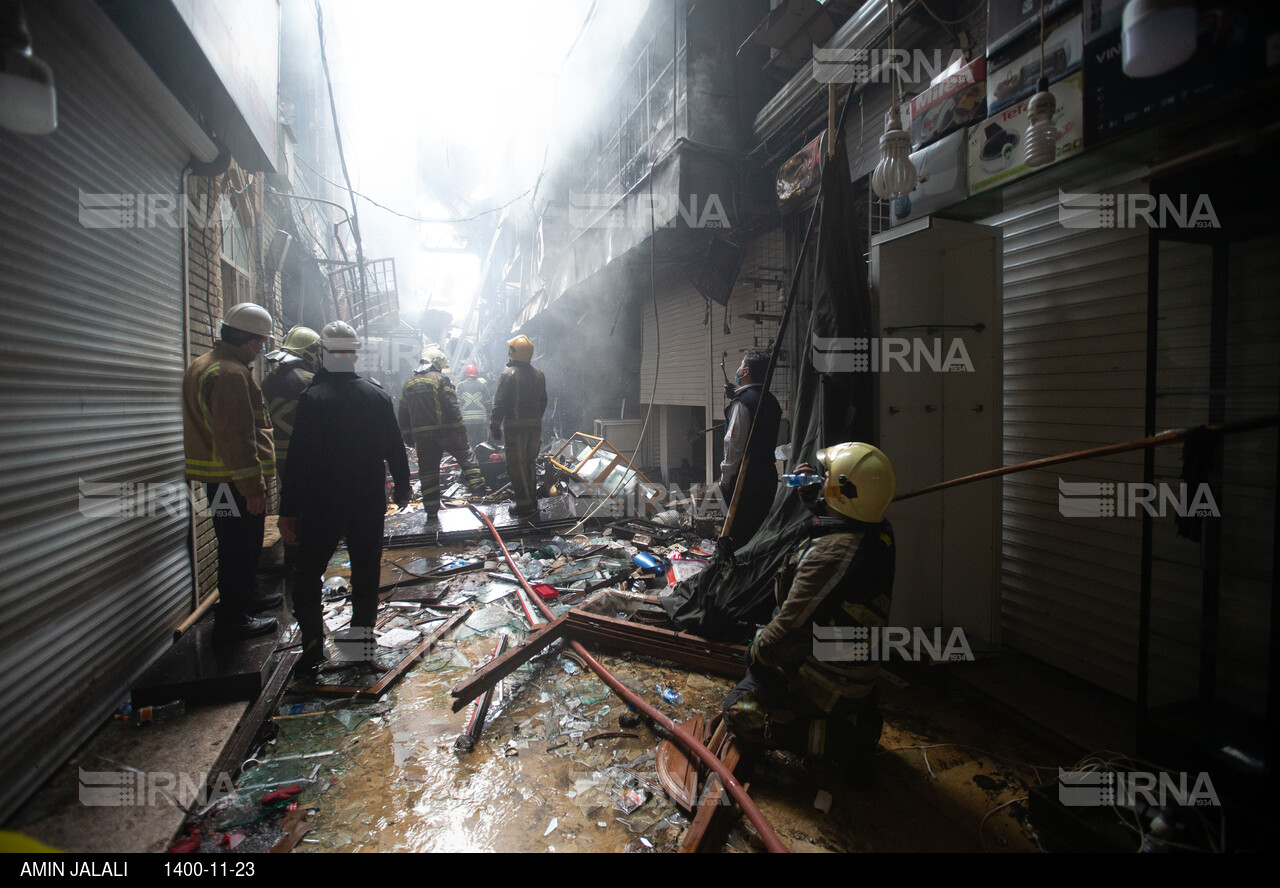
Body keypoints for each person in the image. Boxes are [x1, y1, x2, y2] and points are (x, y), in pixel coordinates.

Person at [721, 442, 897, 787]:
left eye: (829, 477)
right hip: (850, 659)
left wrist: (754, 655)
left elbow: (785, 632)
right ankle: (851, 713)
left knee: (737, 710)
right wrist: (816, 495)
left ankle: (845, 738)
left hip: (829, 679)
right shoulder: (877, 529)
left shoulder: (832, 555)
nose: (823, 477)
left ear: (845, 492)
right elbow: (840, 514)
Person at [278, 322, 411, 674]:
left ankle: (311, 653)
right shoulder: (377, 396)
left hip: (321, 504)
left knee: (308, 574)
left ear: (323, 353)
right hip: (367, 503)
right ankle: (360, 655)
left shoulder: (312, 399)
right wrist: (402, 487)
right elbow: (395, 449)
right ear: (354, 354)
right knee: (365, 575)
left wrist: (288, 510)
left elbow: (298, 460)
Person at [182, 301, 280, 641]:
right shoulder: (231, 374)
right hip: (236, 481)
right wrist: (252, 486)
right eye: (262, 342)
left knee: (233, 543)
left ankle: (246, 599)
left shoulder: (204, 364)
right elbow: (237, 435)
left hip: (220, 480)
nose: (261, 349)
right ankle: (234, 617)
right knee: (240, 546)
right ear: (251, 341)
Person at [399, 347, 490, 520]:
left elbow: (403, 414)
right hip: (447, 433)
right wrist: (460, 431)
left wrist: (407, 436)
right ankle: (480, 495)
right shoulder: (440, 380)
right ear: (436, 364)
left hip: (423, 439)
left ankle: (432, 511)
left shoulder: (408, 383)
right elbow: (452, 407)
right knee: (467, 458)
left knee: (428, 473)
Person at [262, 326, 320, 591]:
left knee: (290, 503)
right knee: (310, 508)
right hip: (306, 455)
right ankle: (305, 567)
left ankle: (293, 563)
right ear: (310, 351)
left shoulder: (270, 378)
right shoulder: (307, 379)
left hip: (279, 454)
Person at [721, 347, 782, 546]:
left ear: (746, 371)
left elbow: (734, 444)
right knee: (757, 530)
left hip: (745, 481)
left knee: (738, 534)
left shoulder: (742, 404)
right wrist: (738, 395)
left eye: (740, 366)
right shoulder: (772, 401)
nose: (737, 370)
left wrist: (726, 476)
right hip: (767, 477)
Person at [490, 334, 547, 521]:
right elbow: (543, 401)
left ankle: (523, 506)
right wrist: (535, 420)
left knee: (517, 465)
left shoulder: (508, 375)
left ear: (513, 352)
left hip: (515, 429)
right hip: (534, 428)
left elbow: (500, 403)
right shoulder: (539, 374)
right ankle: (532, 500)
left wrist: (494, 425)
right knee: (530, 463)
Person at [456, 363, 492, 450]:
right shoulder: (482, 386)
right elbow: (488, 404)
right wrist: (489, 419)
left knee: (469, 443)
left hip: (466, 421)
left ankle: (472, 460)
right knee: (481, 444)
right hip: (481, 420)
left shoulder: (460, 386)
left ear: (466, 374)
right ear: (477, 373)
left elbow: (457, 404)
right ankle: (481, 460)